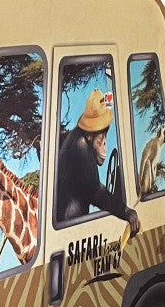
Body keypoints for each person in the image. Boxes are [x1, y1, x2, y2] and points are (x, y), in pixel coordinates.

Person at [56, 88, 141, 234]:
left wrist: (110, 96)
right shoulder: (81, 147)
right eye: (101, 139)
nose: (104, 144)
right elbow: (97, 194)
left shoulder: (83, 134)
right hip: (70, 222)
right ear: (90, 136)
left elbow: (109, 103)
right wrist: (126, 212)